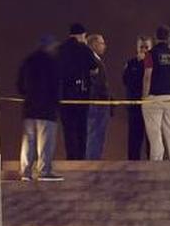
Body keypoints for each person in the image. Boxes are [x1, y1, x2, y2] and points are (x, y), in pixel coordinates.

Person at [16, 35, 63, 181]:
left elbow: (20, 84)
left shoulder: (28, 61)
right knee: (45, 141)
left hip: (30, 107)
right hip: (47, 108)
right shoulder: (52, 62)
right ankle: (44, 171)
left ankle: (25, 172)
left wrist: (29, 94)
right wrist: (56, 102)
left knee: (28, 140)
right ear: (50, 46)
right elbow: (56, 86)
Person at [56, 22, 98, 160]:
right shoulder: (83, 49)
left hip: (63, 95)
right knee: (81, 128)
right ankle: (80, 158)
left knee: (68, 128)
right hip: (81, 93)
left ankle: (71, 157)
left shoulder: (60, 49)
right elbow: (94, 67)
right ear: (82, 35)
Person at [142, 25, 170, 161]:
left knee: (155, 132)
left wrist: (144, 96)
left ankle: (157, 160)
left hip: (154, 97)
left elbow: (148, 75)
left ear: (155, 37)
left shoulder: (151, 54)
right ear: (169, 38)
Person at [121, 35, 153, 160]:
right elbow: (126, 80)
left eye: (147, 47)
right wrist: (140, 64)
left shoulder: (154, 63)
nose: (144, 50)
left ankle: (152, 161)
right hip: (134, 105)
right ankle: (133, 162)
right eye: (141, 47)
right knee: (134, 135)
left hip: (150, 103)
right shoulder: (131, 63)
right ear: (137, 48)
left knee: (151, 135)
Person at [84, 33, 112, 160]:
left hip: (100, 104)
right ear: (94, 44)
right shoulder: (92, 61)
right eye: (102, 43)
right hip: (97, 104)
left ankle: (94, 159)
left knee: (98, 134)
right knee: (95, 134)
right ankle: (92, 161)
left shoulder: (96, 60)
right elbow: (96, 84)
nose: (104, 46)